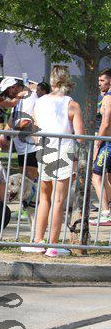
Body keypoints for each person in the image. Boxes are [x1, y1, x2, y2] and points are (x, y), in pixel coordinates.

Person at [24, 65, 85, 256]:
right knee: (58, 199)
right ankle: (53, 244)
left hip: (45, 149)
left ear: (51, 81)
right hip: (64, 149)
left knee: (44, 197)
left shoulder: (40, 101)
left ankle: (38, 240)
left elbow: (34, 129)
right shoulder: (72, 104)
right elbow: (81, 136)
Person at [0, 77, 39, 180]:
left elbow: (25, 122)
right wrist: (3, 135)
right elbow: (12, 118)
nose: (6, 95)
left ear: (14, 87)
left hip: (31, 146)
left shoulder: (29, 97)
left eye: (7, 91)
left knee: (31, 180)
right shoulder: (18, 99)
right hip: (22, 148)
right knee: (24, 179)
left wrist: (9, 134)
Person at [90, 68, 111, 225]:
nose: (99, 84)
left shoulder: (108, 99)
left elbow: (106, 122)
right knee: (107, 178)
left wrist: (98, 142)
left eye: (102, 81)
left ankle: (105, 213)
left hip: (106, 143)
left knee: (96, 176)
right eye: (98, 81)